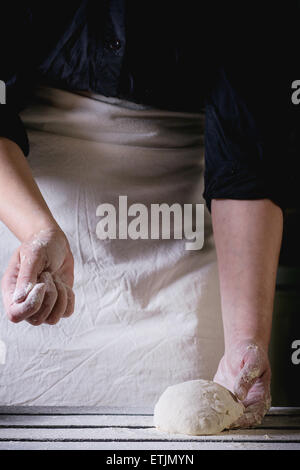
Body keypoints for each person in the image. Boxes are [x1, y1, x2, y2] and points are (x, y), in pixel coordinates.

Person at [0, 2, 297, 427]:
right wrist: (37, 230)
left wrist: (245, 343)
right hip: (27, 207)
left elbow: (247, 157)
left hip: (183, 228)